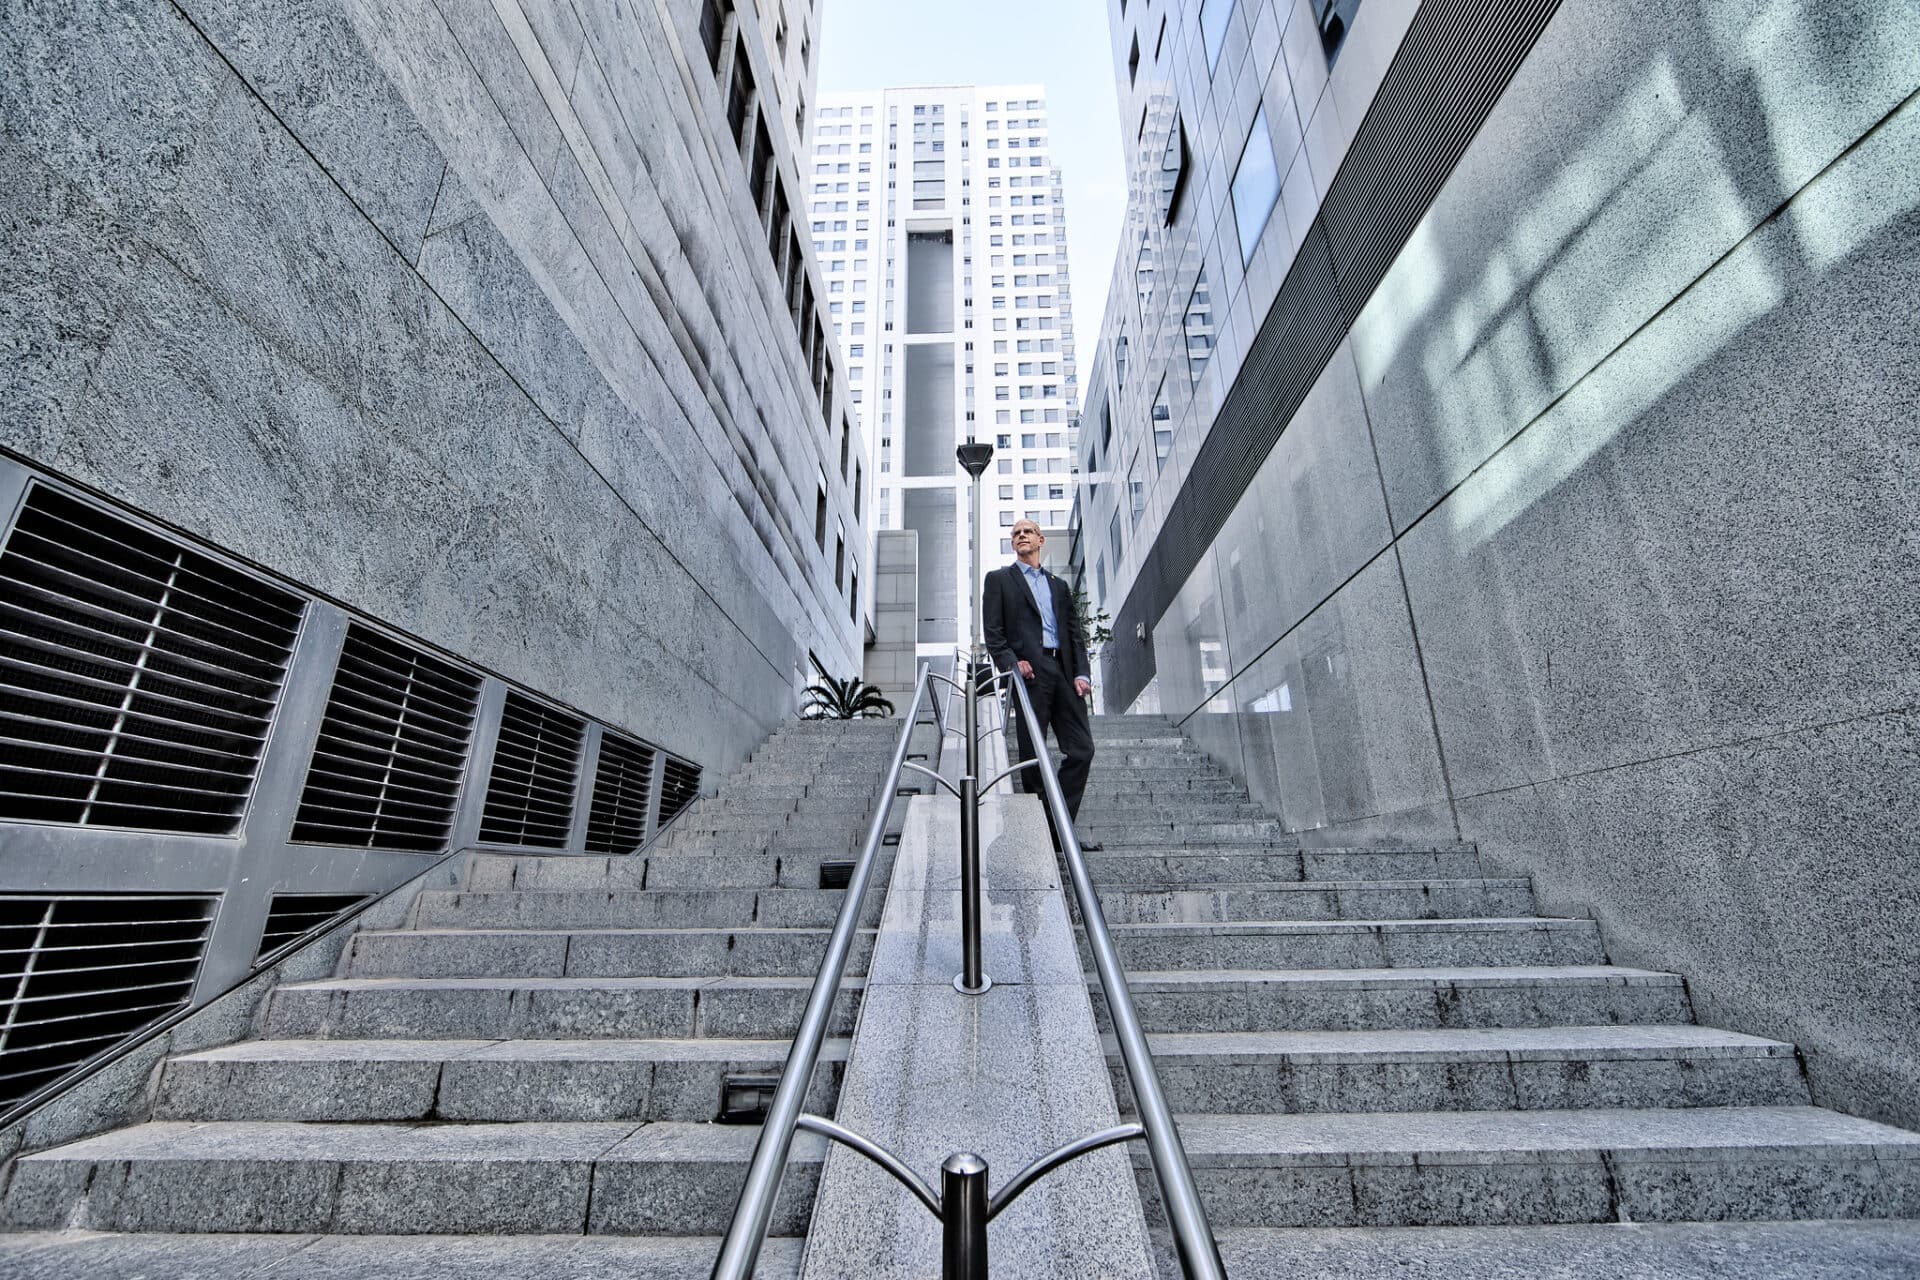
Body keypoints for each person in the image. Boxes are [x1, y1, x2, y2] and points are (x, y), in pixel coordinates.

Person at [981, 519, 1099, 848]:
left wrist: (1082, 673)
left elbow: (1074, 635)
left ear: (1040, 540)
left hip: (1063, 672)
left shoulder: (1058, 586)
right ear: (1012, 543)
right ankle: (1041, 836)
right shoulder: (1000, 580)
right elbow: (994, 634)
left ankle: (1055, 826)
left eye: (1027, 531)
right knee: (1032, 753)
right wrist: (1011, 664)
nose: (1021, 535)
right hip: (1030, 673)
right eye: (1015, 533)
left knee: (1082, 750)